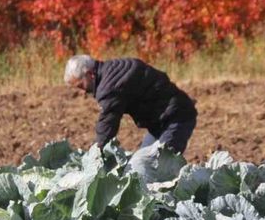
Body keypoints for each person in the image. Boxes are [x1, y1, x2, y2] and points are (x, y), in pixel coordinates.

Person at [64, 55, 197, 154]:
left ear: (89, 74)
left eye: (80, 85)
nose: (82, 92)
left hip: (177, 118)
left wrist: (94, 154)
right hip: (159, 123)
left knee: (156, 167)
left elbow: (107, 126)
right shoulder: (113, 68)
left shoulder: (109, 87)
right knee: (143, 163)